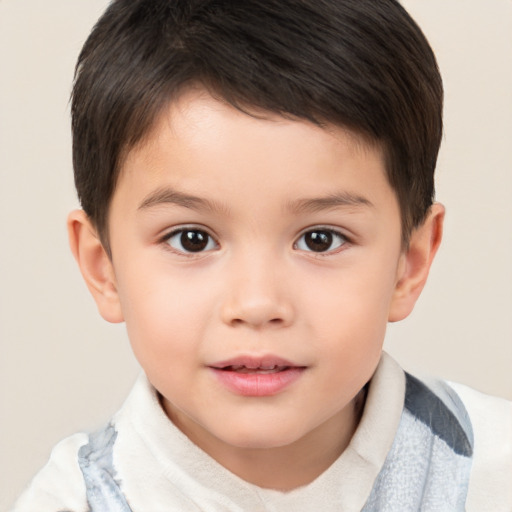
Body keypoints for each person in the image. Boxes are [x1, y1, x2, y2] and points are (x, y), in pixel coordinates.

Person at [12, 0, 511, 510]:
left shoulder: (495, 475)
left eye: (320, 239)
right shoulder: (69, 501)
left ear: (411, 261)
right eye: (192, 239)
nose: (256, 303)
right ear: (104, 267)